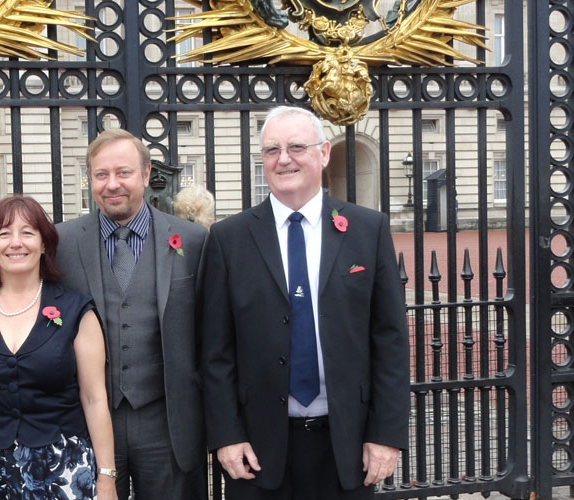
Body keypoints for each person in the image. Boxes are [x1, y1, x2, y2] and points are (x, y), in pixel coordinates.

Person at [200, 106, 409, 499]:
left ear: (324, 153)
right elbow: (216, 352)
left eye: (296, 147)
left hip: (348, 445)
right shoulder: (229, 239)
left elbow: (390, 341)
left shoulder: (368, 229)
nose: (283, 159)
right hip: (257, 451)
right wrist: (226, 436)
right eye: (271, 150)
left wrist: (387, 434)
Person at [55, 129, 208, 499]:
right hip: (88, 420)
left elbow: (211, 335)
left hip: (167, 422)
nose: (112, 185)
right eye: (101, 175)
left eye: (123, 172)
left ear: (145, 174)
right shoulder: (62, 243)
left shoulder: (193, 240)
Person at [0, 195, 116, 500]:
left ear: (44, 243)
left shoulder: (77, 310)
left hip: (62, 471)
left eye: (27, 232)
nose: (15, 242)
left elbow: (93, 398)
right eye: (4, 233)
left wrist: (106, 479)